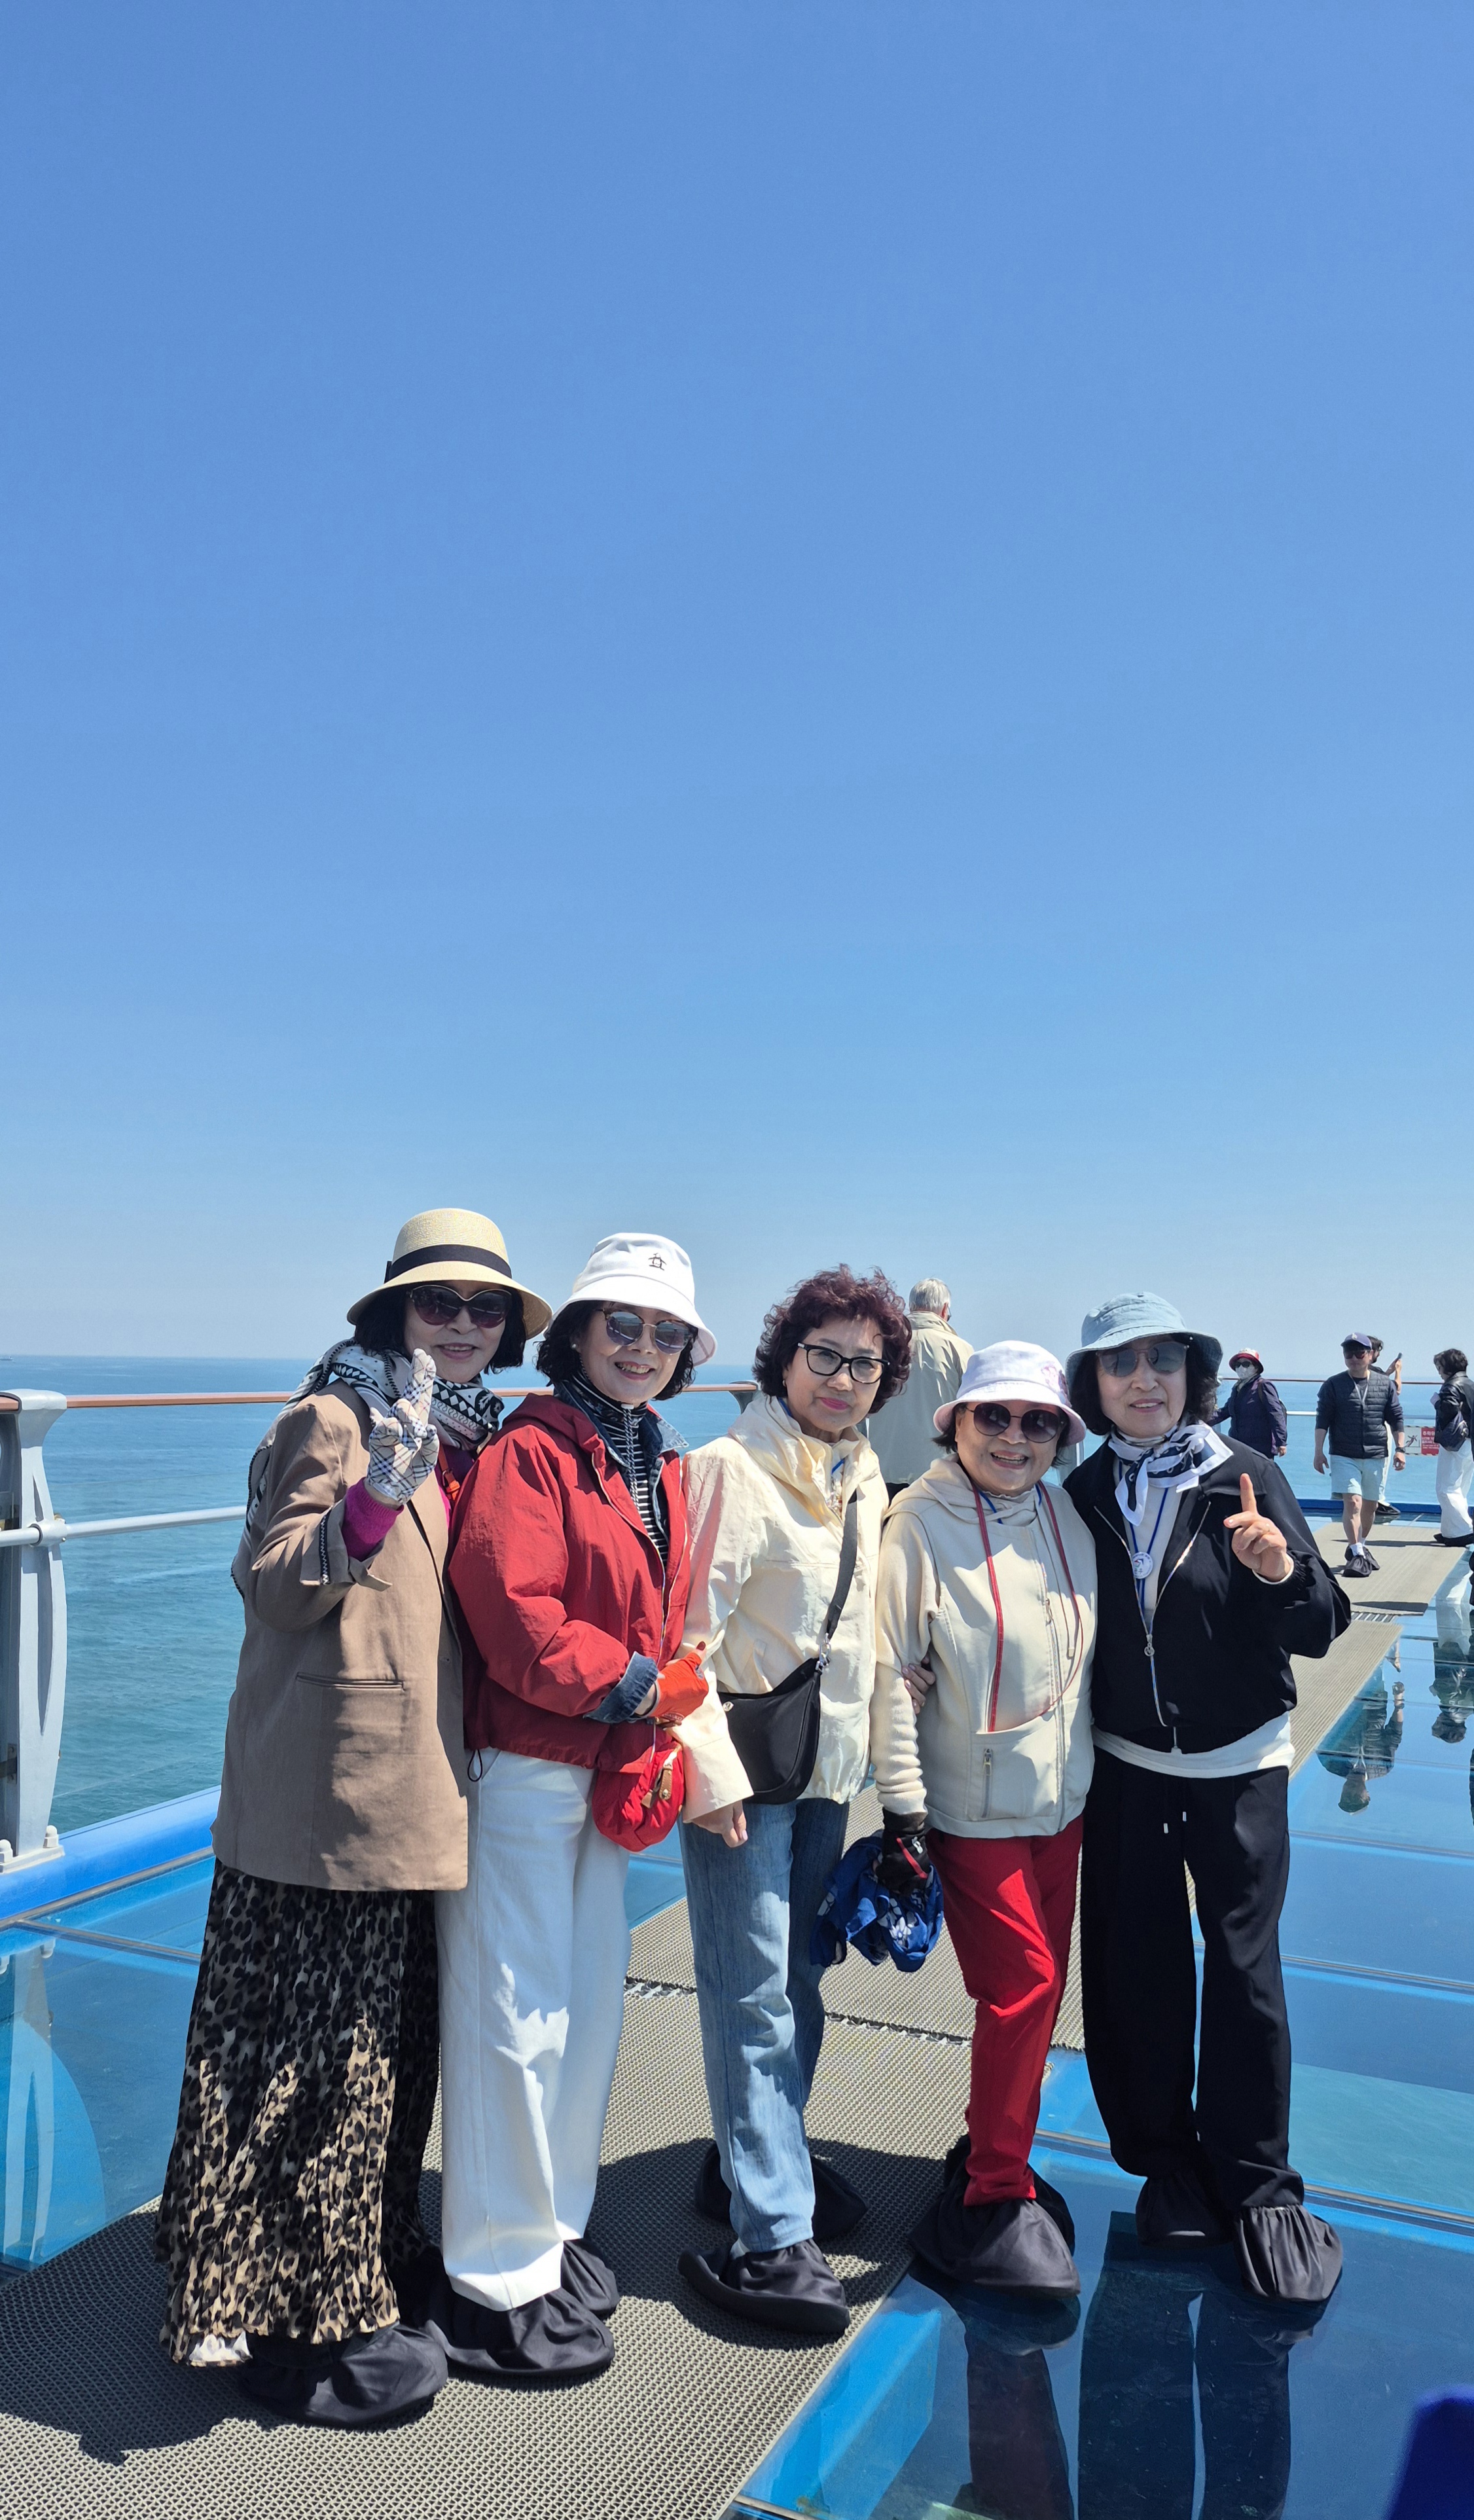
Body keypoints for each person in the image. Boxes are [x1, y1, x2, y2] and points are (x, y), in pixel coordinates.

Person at [156, 1207, 550, 2425]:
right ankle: (289, 2315)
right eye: (441, 1302)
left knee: (384, 2056)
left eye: (486, 1308)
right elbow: (274, 1587)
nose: (466, 1324)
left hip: (411, 1790)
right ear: (394, 1312)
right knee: (315, 2065)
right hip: (327, 1801)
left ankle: (361, 2261)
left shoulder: (471, 1435)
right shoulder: (335, 1418)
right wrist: (374, 1497)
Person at [431, 1234, 747, 2383]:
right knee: (511, 2009)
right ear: (574, 1333)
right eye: (623, 1323)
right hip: (527, 1758)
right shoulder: (532, 1448)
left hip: (605, 1759)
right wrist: (636, 1685)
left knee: (585, 2005)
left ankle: (552, 2231)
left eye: (666, 1332)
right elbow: (509, 1610)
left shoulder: (648, 1454)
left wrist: (657, 1702)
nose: (644, 1346)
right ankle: (492, 2275)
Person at [1065, 1293, 1349, 2306]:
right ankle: (1167, 2164)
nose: (1144, 1380)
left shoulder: (1244, 1472)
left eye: (1164, 1360)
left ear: (1194, 1374)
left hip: (1239, 1761)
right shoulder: (1081, 1488)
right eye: (1121, 1363)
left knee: (1243, 1969)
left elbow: (1323, 1621)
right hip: (1127, 1764)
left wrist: (1279, 1570)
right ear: (1093, 1384)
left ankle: (1258, 2180)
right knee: (1135, 1966)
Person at [675, 1267, 912, 2339]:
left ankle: (754, 2163)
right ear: (784, 1359)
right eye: (825, 1354)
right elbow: (685, 1637)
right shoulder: (728, 1468)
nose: (843, 1378)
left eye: (865, 1363)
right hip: (744, 1773)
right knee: (752, 1990)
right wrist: (704, 1773)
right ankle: (772, 2233)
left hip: (828, 1768)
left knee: (801, 1974)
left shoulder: (860, 1473)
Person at [872, 1343, 1096, 2296]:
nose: (1014, 1436)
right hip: (968, 1809)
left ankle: (996, 2144)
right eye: (992, 1415)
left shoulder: (1063, 1510)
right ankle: (994, 2188)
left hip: (1063, 1802)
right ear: (955, 1422)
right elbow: (888, 1672)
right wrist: (903, 1811)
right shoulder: (917, 1523)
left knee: (1042, 1994)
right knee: (1022, 1986)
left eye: (1037, 1420)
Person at [866, 1278, 972, 1501]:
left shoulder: (883, 1346)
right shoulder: (961, 1350)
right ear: (945, 1310)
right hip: (940, 1474)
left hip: (881, 1471)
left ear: (912, 1307)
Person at [1313, 1334, 1405, 1577]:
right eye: (1348, 1353)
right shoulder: (1333, 1385)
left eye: (1359, 1353)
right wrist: (1318, 1452)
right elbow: (1323, 1420)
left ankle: (1360, 1546)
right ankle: (1356, 1551)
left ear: (1370, 1355)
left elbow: (1396, 1418)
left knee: (1370, 1505)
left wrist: (1401, 1449)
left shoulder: (1384, 1384)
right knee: (1353, 1502)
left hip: (1376, 1453)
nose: (1353, 1358)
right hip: (1344, 1453)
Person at [1316, 1674, 1405, 1814]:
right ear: (1368, 1796)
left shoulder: (1332, 1764)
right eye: (1356, 1797)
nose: (1351, 1791)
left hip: (1344, 1702)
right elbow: (1394, 1734)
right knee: (1370, 1667)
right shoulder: (1382, 1768)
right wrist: (1398, 1702)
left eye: (1346, 1796)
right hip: (1375, 1702)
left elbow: (1318, 1732)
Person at [1432, 1348, 1474, 1546]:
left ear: (1447, 1368)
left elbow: (1448, 1410)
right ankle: (1451, 1531)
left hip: (1455, 1442)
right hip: (1469, 1442)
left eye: (1439, 1367)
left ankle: (1463, 1530)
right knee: (1460, 1488)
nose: (1439, 1372)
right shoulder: (1470, 1384)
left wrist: (1437, 1402)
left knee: (1446, 1488)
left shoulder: (1450, 1386)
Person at [1213, 1350, 1287, 1457]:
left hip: (1260, 1449)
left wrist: (1281, 1442)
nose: (1241, 1368)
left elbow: (1276, 1414)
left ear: (1256, 1368)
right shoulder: (1237, 1388)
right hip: (1239, 1447)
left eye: (1246, 1364)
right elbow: (1225, 1412)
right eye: (1238, 1365)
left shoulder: (1264, 1386)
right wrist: (1199, 1419)